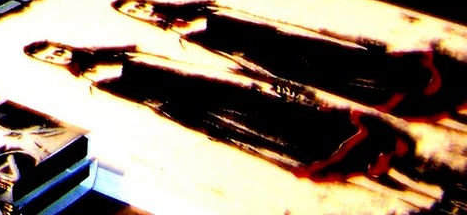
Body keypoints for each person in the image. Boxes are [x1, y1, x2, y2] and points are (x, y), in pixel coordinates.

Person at [23, 39, 434, 196]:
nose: (58, 56)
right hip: (205, 116)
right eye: (50, 58)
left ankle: (412, 176)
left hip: (221, 95)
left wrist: (249, 84)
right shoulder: (89, 84)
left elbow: (185, 70)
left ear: (63, 45)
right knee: (294, 149)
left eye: (55, 49)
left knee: (317, 131)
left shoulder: (121, 56)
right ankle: (400, 188)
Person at [111, 0, 467, 124]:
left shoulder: (204, 11)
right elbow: (233, 65)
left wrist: (331, 40)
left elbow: (273, 26)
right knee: (370, 93)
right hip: (290, 69)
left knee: (385, 73)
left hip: (302, 49)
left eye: (139, 5)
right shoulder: (180, 41)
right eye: (135, 13)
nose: (143, 11)